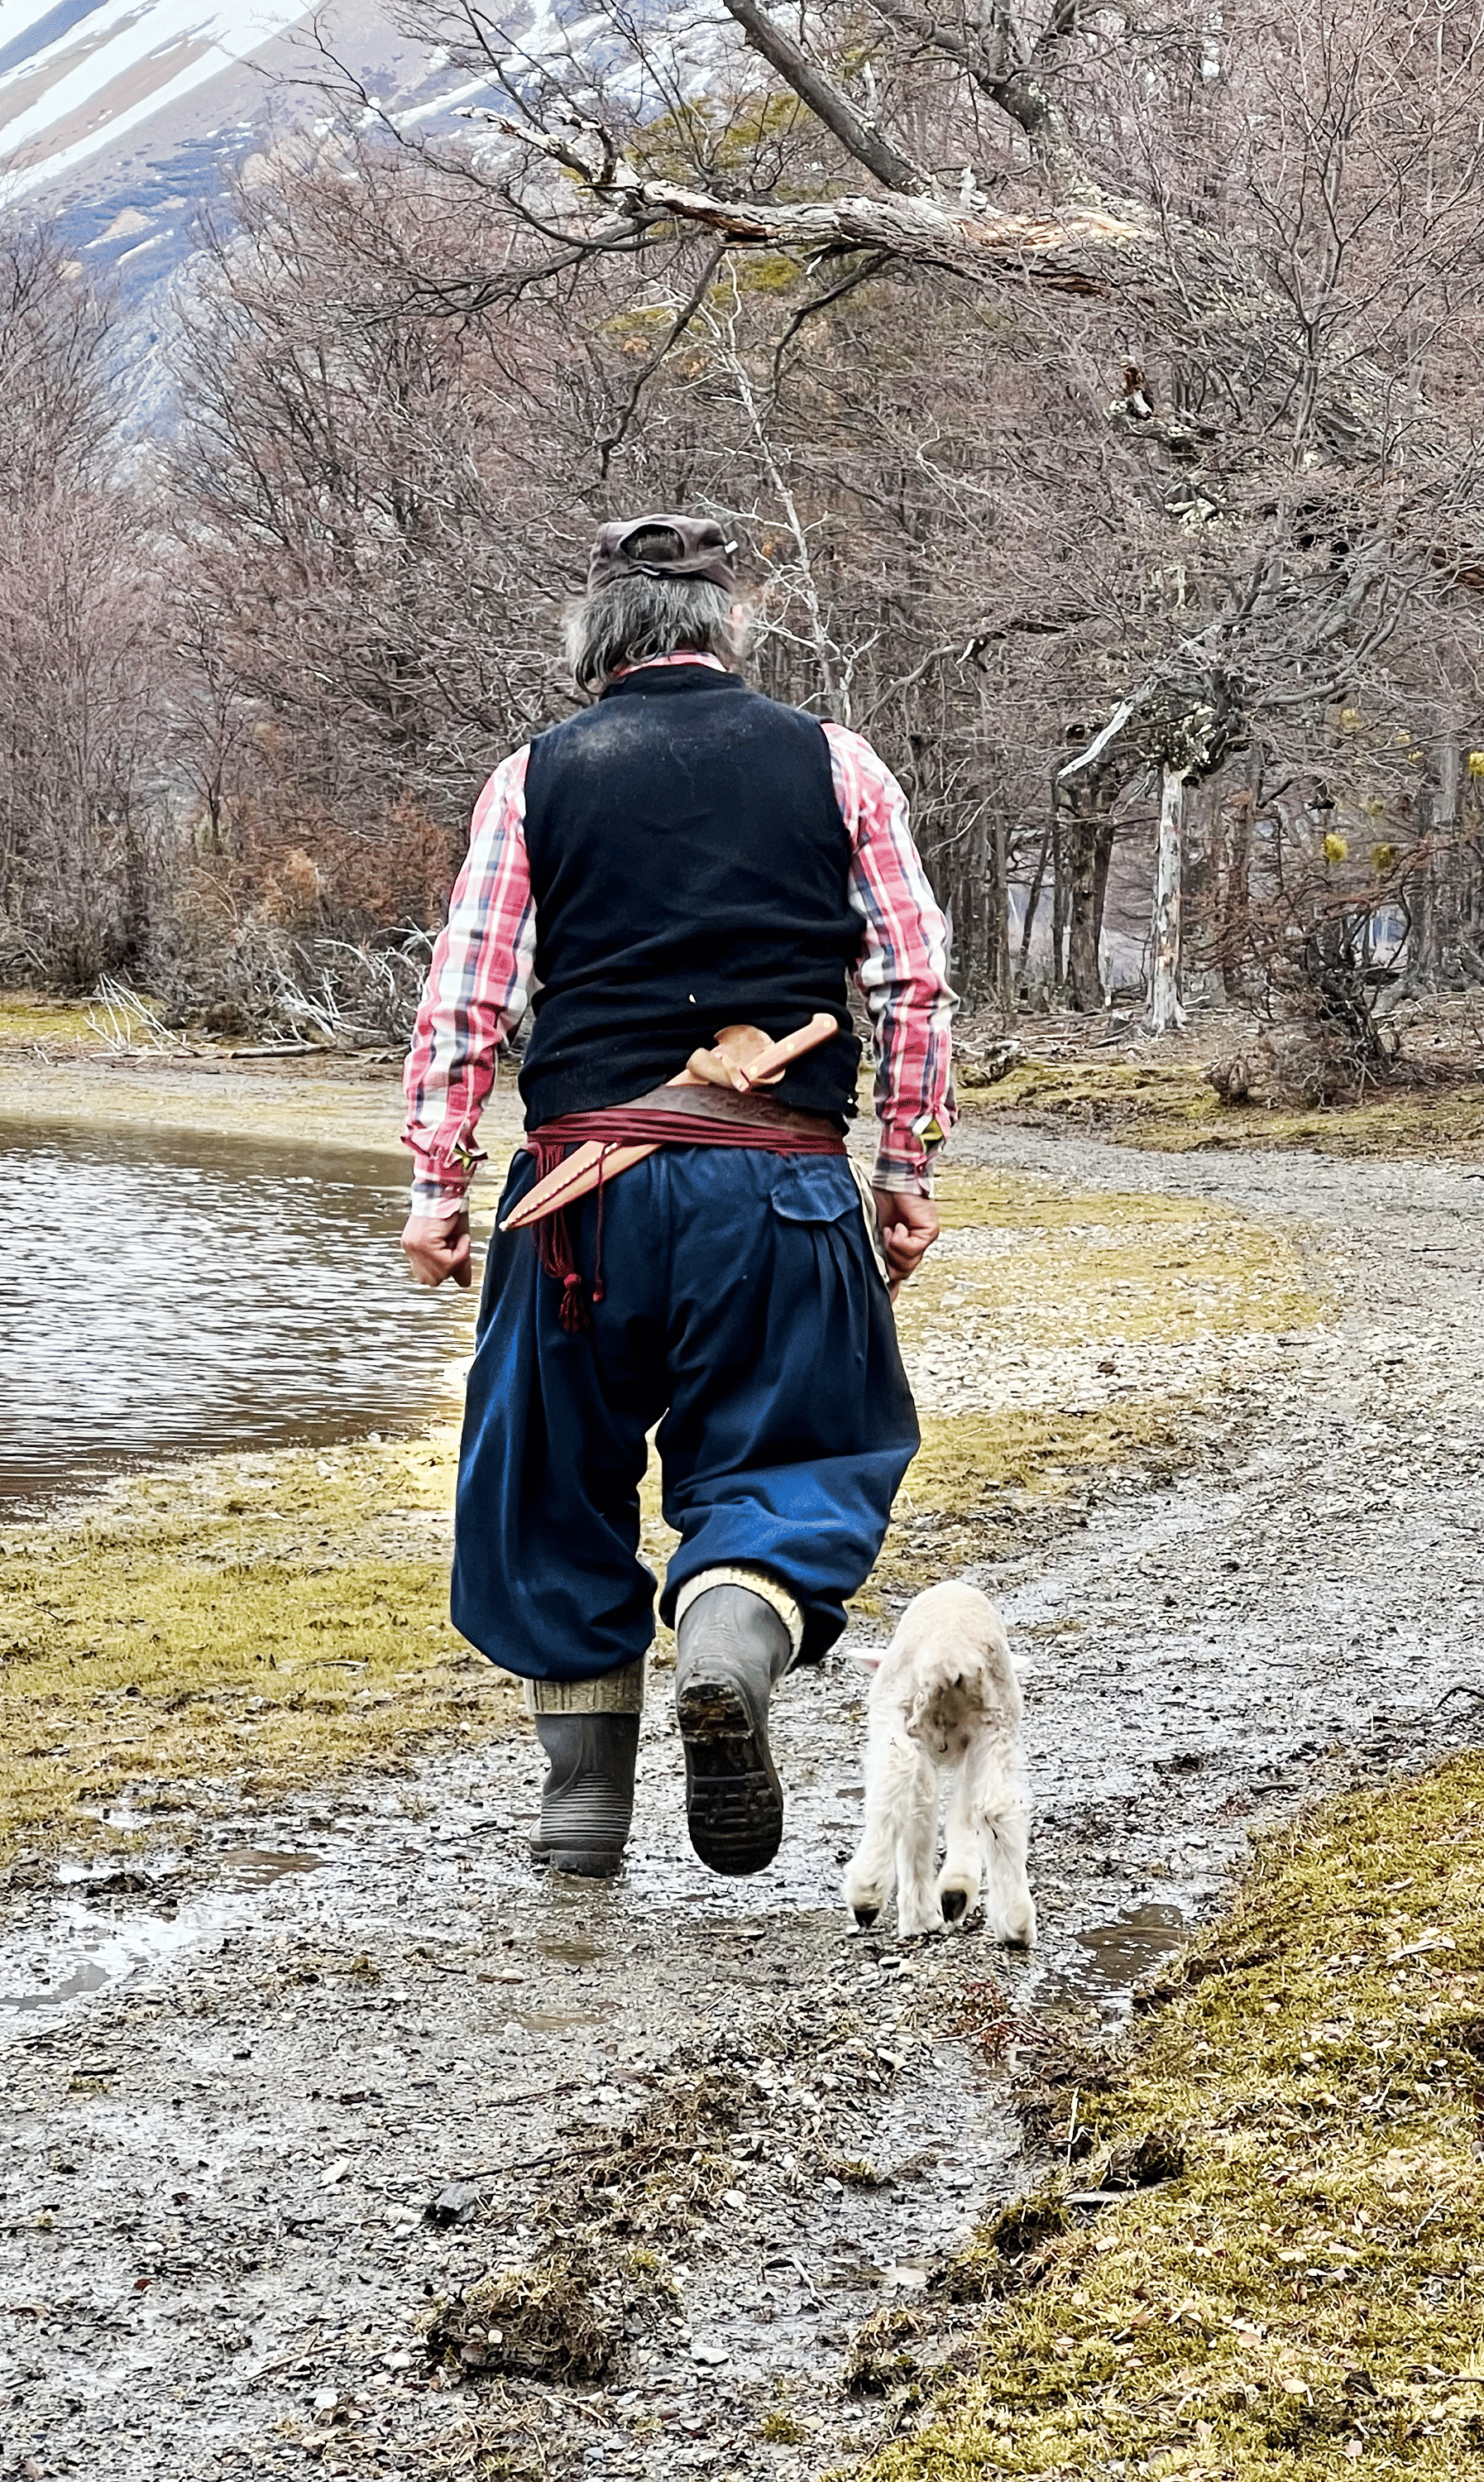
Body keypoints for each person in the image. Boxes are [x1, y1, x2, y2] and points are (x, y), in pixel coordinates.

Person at [400, 515, 954, 1881]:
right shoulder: (836, 762)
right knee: (791, 1460)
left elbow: (469, 998)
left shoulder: (535, 774)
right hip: (777, 1190)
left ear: (597, 635)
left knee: (547, 1479)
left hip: (579, 1199)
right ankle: (726, 1641)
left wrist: (437, 1182)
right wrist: (900, 1170)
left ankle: (583, 1799)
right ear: (728, 628)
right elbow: (912, 982)